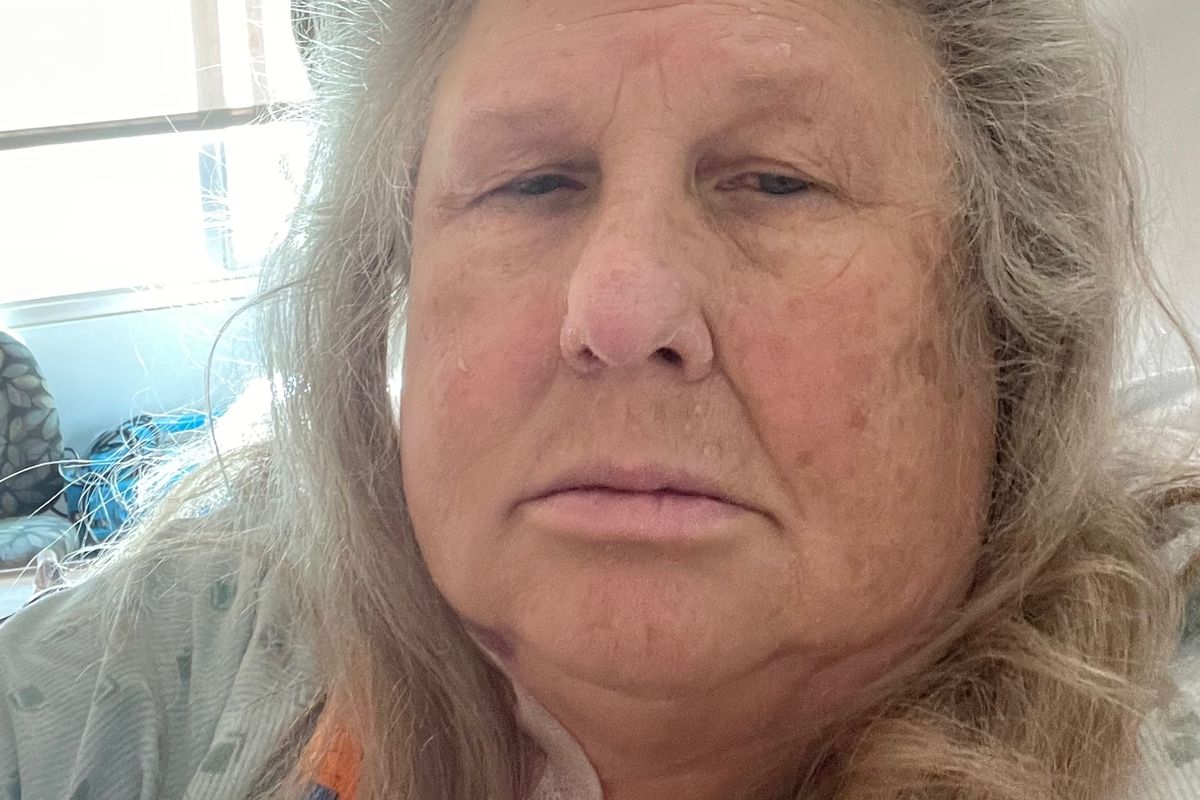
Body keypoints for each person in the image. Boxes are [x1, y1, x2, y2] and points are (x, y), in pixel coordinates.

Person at [2, 0, 1199, 798]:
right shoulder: (188, 640)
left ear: (1009, 332)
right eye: (530, 184)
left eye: (777, 181)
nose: (620, 311)